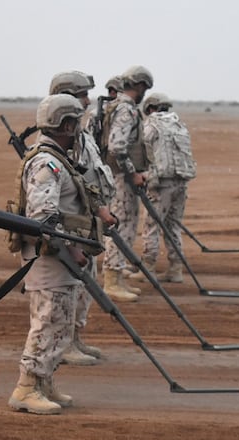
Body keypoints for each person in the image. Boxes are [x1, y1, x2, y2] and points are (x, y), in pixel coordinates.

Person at [8, 94, 102, 414]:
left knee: (60, 320)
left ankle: (44, 381)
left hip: (60, 257)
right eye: (75, 123)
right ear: (65, 124)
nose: (78, 130)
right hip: (50, 257)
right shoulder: (46, 162)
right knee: (47, 320)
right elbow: (43, 216)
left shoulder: (59, 158)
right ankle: (25, 387)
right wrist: (73, 249)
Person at [49, 71, 117, 366]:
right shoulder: (61, 136)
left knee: (84, 287)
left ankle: (75, 338)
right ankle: (63, 345)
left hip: (86, 222)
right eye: (81, 95)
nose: (88, 100)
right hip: (71, 224)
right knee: (68, 290)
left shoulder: (82, 133)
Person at [100, 65, 154, 302]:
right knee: (122, 226)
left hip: (115, 175)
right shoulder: (126, 110)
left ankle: (116, 276)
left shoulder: (113, 105)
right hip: (121, 178)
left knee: (123, 224)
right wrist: (133, 174)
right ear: (140, 85)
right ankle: (111, 280)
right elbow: (117, 147)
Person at [130, 92, 197, 283]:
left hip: (161, 184)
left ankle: (148, 267)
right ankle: (176, 269)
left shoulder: (151, 125)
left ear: (150, 108)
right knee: (173, 226)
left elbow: (144, 153)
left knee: (151, 226)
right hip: (181, 182)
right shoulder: (179, 125)